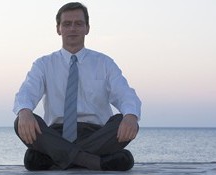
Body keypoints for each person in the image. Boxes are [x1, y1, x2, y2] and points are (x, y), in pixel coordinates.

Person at [13, 2, 141, 171]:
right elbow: (27, 91)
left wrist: (131, 116)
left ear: (87, 28)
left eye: (78, 23)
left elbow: (125, 94)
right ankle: (93, 162)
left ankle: (57, 159)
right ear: (58, 29)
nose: (72, 28)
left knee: (124, 120)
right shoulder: (43, 64)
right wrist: (25, 111)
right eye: (67, 24)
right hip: (56, 134)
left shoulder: (104, 63)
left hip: (96, 134)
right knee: (20, 120)